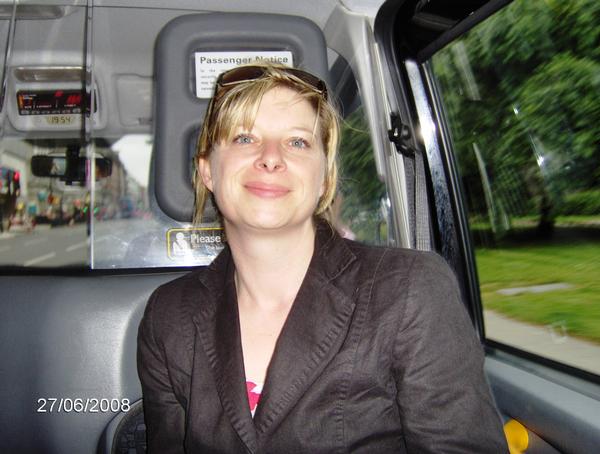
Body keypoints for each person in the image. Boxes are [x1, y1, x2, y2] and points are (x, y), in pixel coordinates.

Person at [137, 63, 508, 453]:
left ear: (325, 179)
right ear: (207, 172)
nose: (270, 158)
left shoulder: (409, 290)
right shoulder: (168, 315)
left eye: (297, 142)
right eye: (245, 138)